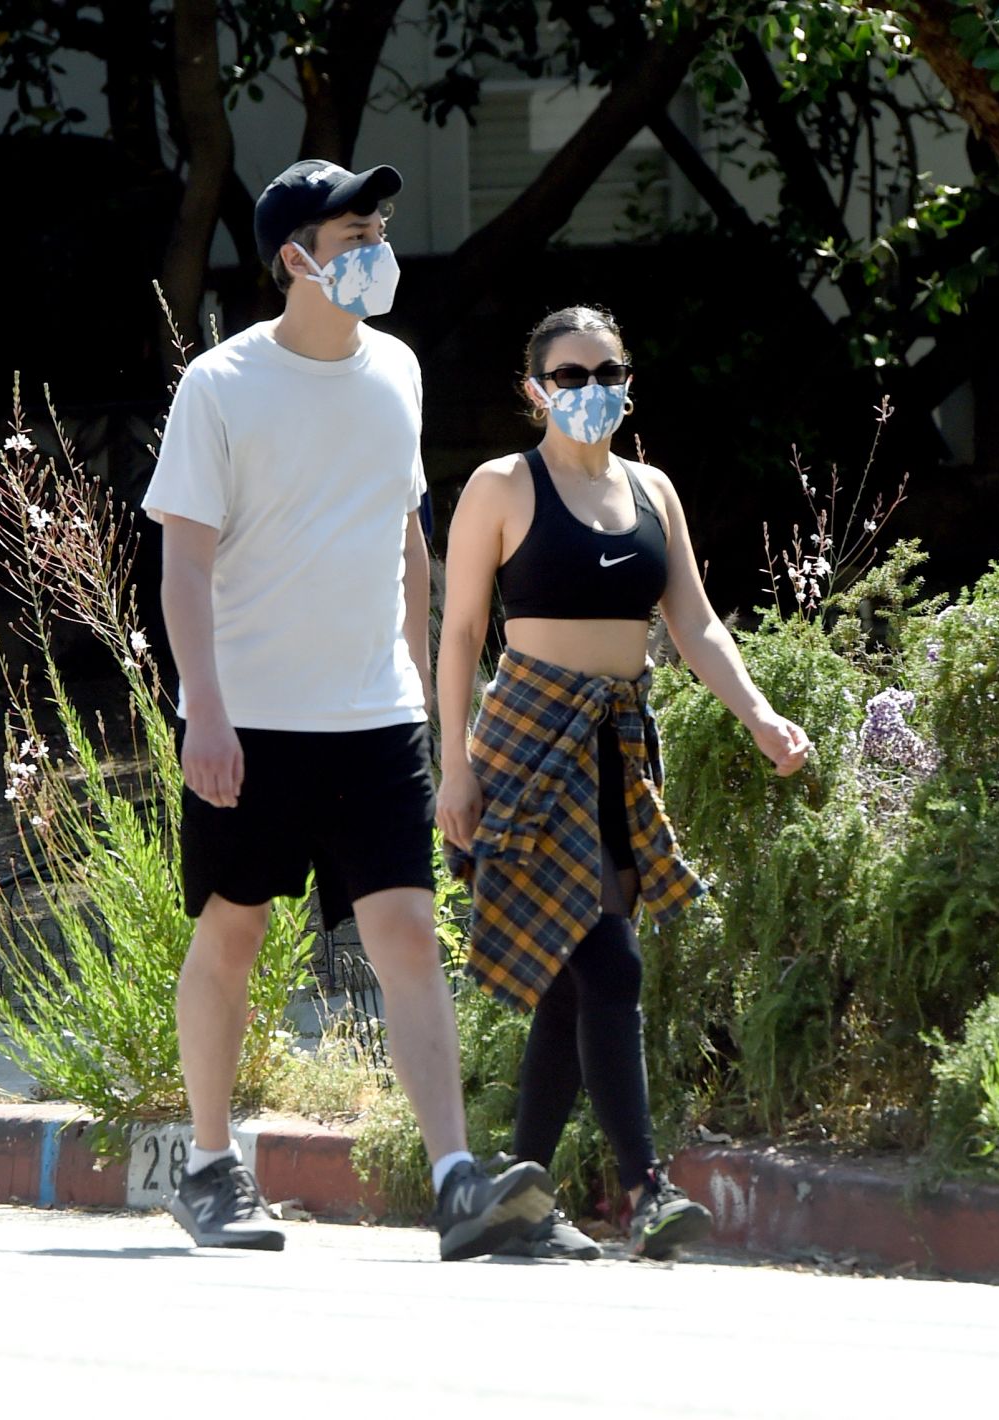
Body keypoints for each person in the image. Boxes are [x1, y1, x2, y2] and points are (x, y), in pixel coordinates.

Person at [141, 159, 554, 1258]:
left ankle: (457, 1179)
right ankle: (212, 1164)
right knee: (234, 930)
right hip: (255, 719)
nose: (375, 243)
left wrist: (422, 687)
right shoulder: (220, 388)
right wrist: (207, 712)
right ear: (295, 259)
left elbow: (408, 532)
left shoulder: (400, 372)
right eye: (353, 231)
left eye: (378, 224)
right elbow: (185, 566)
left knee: (408, 931)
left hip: (376, 715)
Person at [436, 305, 810, 1260]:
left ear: (628, 381)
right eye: (568, 375)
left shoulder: (654, 491)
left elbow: (696, 624)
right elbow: (460, 633)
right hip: (525, 746)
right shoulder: (502, 487)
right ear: (535, 390)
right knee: (611, 963)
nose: (590, 388)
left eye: (607, 371)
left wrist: (761, 716)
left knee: (572, 983)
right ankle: (644, 1192)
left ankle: (510, 1194)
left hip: (619, 748)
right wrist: (453, 771)